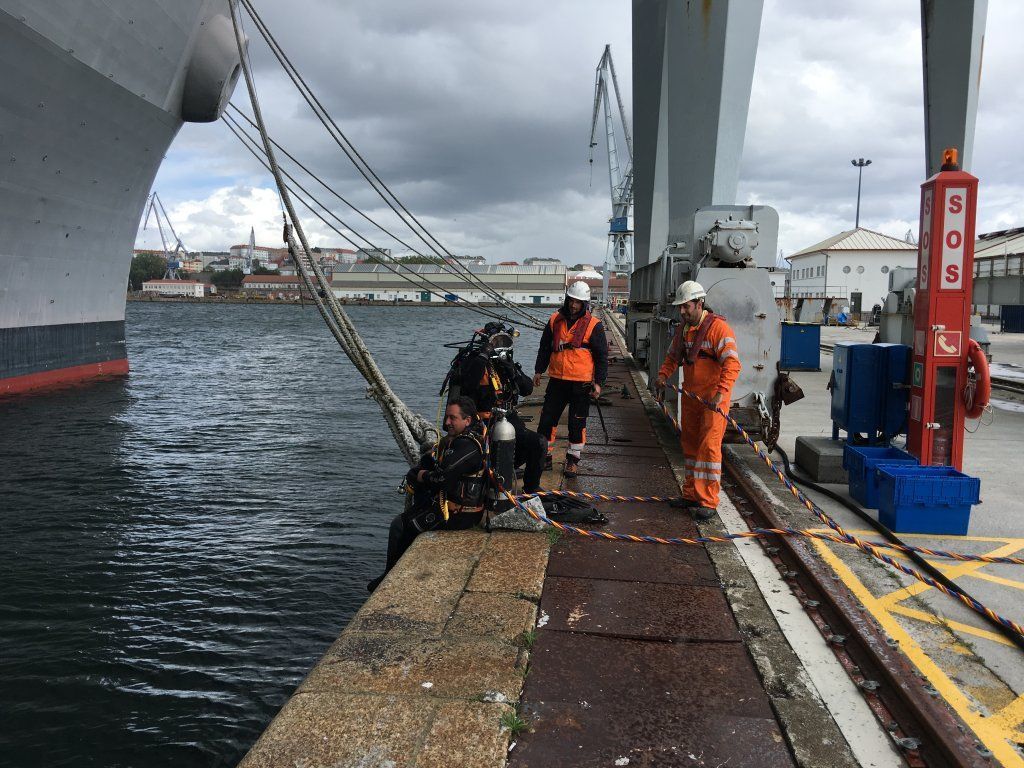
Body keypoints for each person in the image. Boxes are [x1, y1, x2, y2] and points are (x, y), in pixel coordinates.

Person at [367, 397, 485, 591]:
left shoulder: (468, 445)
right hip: (453, 506)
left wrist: (421, 476)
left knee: (400, 525)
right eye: (447, 417)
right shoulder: (462, 440)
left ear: (468, 421)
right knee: (410, 517)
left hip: (461, 514)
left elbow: (443, 478)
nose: (447, 423)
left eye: (452, 418)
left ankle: (389, 577)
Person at [655, 280, 741, 521]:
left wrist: (720, 394)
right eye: (680, 307)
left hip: (713, 400)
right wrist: (662, 376)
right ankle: (691, 494)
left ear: (699, 303)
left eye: (686, 307)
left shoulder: (719, 330)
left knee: (709, 449)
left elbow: (732, 364)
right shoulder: (684, 330)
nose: (682, 312)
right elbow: (673, 357)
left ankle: (708, 501)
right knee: (691, 447)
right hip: (692, 398)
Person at [457, 324, 546, 493]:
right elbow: (467, 385)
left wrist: (512, 370)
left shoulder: (505, 364)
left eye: (503, 341)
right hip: (481, 423)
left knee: (538, 442)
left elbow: (527, 389)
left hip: (508, 418)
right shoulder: (474, 361)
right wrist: (484, 355)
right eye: (495, 342)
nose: (499, 346)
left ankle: (531, 487)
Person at [533, 280, 608, 477]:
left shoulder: (594, 326)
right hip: (557, 380)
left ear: (585, 304)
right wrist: (538, 370)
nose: (573, 305)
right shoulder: (554, 320)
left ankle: (572, 460)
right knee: (547, 419)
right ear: (567, 300)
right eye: (571, 301)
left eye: (578, 302)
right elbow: (544, 347)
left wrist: (598, 383)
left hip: (581, 383)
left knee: (577, 423)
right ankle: (544, 457)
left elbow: (601, 357)